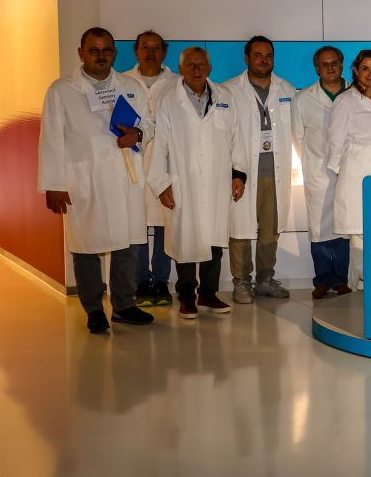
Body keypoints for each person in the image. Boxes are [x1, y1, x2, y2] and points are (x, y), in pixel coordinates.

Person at [39, 27, 156, 333]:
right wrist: (54, 184)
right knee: (87, 246)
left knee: (128, 244)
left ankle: (124, 305)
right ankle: (93, 309)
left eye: (106, 50)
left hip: (125, 177)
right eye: (93, 50)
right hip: (85, 179)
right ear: (81, 53)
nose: (100, 56)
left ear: (114, 54)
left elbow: (150, 124)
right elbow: (51, 140)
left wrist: (138, 134)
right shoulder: (61, 90)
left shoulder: (130, 86)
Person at [147, 46, 245, 321]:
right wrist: (161, 183)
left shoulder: (224, 98)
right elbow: (159, 145)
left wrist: (239, 174)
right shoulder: (169, 100)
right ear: (181, 69)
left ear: (209, 68)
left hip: (216, 181)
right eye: (190, 64)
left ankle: (208, 294)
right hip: (183, 180)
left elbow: (237, 139)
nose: (196, 69)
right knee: (186, 239)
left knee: (214, 239)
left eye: (201, 64)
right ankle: (187, 296)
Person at [225, 36, 295, 304]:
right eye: (257, 55)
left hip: (274, 173)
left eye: (268, 56)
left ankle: (265, 279)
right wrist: (231, 171)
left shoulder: (286, 88)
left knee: (270, 230)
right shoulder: (229, 90)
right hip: (242, 173)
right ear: (246, 59)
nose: (264, 61)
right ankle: (242, 281)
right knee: (240, 229)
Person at [326, 50, 371, 290]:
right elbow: (335, 143)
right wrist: (346, 173)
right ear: (355, 70)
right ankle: (360, 285)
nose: (370, 74)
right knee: (359, 235)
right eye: (365, 68)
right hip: (356, 177)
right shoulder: (345, 101)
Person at [293, 46, 350, 300]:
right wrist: (313, 163)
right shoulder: (303, 99)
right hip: (318, 171)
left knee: (344, 227)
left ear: (342, 65)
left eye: (334, 62)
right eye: (324, 64)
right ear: (317, 68)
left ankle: (341, 279)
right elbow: (297, 137)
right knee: (319, 228)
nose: (330, 67)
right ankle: (323, 279)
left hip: (349, 171)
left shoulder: (355, 93)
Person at [126, 30, 177, 307]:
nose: (150, 52)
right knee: (136, 222)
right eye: (145, 47)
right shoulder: (122, 81)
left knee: (163, 224)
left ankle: (161, 281)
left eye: (156, 47)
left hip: (165, 163)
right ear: (136, 51)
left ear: (164, 52)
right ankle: (140, 281)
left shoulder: (177, 83)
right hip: (131, 164)